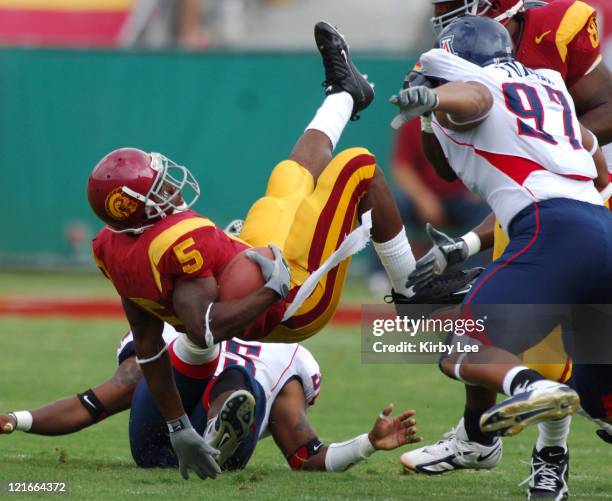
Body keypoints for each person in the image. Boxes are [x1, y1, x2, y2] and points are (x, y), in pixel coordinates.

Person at [87, 21, 453, 481]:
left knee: (289, 179)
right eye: (157, 186)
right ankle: (413, 295)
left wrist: (179, 425)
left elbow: (148, 348)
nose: (170, 186)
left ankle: (345, 94)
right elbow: (204, 330)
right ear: (135, 209)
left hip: (252, 261)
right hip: (288, 301)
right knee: (358, 168)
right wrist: (271, 291)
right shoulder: (175, 248)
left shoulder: (117, 248)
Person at [390, 15, 612, 499]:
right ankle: (542, 442)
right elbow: (594, 163)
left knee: (461, 344)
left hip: (551, 235)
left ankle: (530, 387)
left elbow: (477, 97)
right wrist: (465, 245)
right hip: (602, 231)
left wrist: (433, 97)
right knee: (600, 396)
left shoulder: (476, 86)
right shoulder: (548, 90)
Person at [0, 325, 421, 474]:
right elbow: (94, 402)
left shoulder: (287, 352)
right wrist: (16, 419)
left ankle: (220, 430)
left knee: (240, 378)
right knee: (187, 353)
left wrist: (367, 443)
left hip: (217, 452)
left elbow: (304, 455)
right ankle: (210, 426)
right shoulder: (167, 329)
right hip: (159, 437)